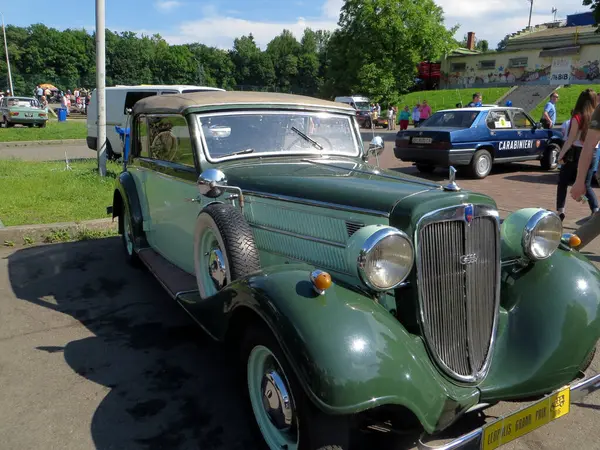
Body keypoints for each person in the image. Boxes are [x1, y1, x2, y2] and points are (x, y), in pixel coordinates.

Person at [556, 89, 599, 222]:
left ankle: (560, 211)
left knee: (563, 181)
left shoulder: (577, 116)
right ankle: (595, 209)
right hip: (593, 154)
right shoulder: (595, 115)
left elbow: (570, 139)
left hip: (575, 153)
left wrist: (560, 155)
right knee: (586, 184)